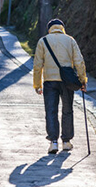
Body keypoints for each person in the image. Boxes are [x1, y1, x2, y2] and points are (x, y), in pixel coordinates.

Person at [33, 19, 87, 154]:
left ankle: (53, 142)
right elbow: (79, 62)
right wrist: (82, 80)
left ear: (49, 29)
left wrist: (37, 84)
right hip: (67, 81)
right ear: (62, 28)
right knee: (67, 110)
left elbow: (37, 65)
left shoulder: (43, 41)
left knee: (51, 111)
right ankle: (67, 142)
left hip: (50, 81)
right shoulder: (70, 40)